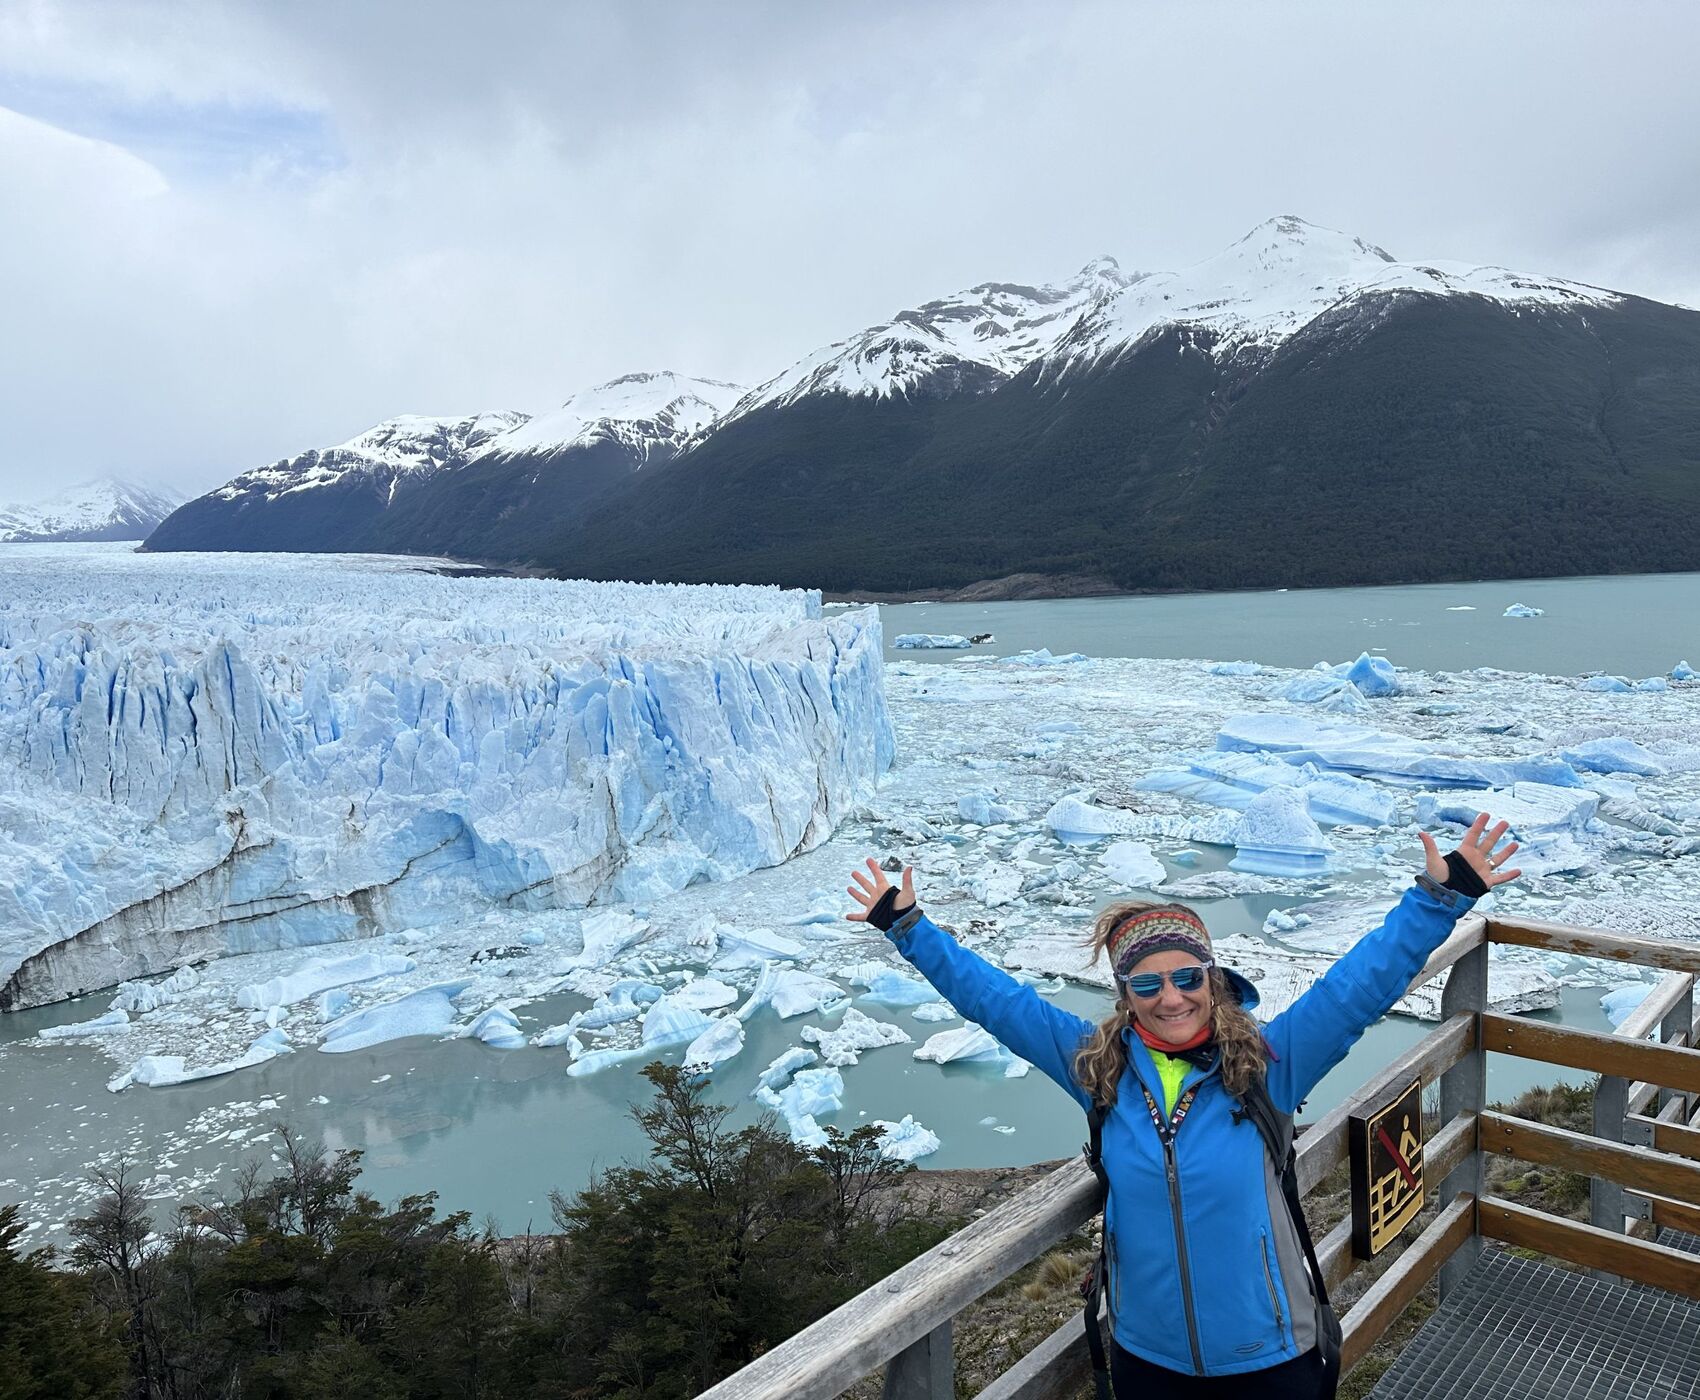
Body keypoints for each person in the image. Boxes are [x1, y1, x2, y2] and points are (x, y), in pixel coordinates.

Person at [846, 813, 1521, 1400]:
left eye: (1186, 977)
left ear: (1211, 979)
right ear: (1125, 992)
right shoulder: (1097, 1068)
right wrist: (908, 927)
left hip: (1269, 1357)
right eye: (1147, 982)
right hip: (1148, 1360)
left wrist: (1441, 898)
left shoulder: (1266, 1065)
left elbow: (1356, 989)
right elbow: (995, 1001)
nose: (1171, 997)